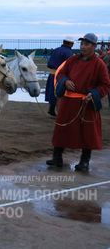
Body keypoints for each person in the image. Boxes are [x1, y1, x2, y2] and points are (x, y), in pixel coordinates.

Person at [46, 33, 110, 171]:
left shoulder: (99, 64)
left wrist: (93, 94)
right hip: (68, 102)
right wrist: (65, 81)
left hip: (86, 103)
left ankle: (84, 161)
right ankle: (57, 157)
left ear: (94, 46)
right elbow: (61, 73)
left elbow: (105, 85)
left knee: (87, 133)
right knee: (61, 128)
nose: (83, 47)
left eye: (86, 44)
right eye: (81, 44)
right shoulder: (73, 60)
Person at [45, 37, 74, 116]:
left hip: (52, 74)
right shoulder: (68, 52)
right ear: (70, 43)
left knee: (52, 93)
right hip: (61, 76)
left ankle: (51, 110)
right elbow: (70, 66)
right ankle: (60, 113)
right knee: (60, 94)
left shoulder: (56, 50)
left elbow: (49, 63)